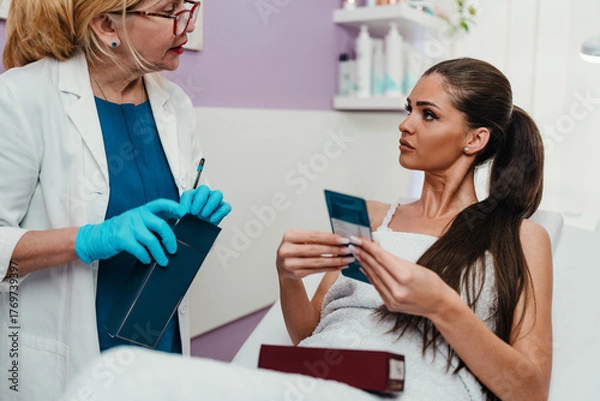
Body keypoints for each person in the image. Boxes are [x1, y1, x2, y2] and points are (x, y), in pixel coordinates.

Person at [275, 58, 552, 401]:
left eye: (428, 114)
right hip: (310, 384)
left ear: (475, 139)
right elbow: (308, 335)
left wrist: (442, 306)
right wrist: (288, 280)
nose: (405, 125)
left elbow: (531, 392)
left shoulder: (520, 238)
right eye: (409, 109)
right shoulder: (370, 217)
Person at [0, 0, 231, 400]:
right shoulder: (23, 98)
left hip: (158, 348)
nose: (186, 27)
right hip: (66, 361)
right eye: (169, 12)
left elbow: (181, 200)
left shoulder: (174, 104)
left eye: (188, 9)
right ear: (108, 24)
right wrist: (89, 239)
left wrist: (195, 220)